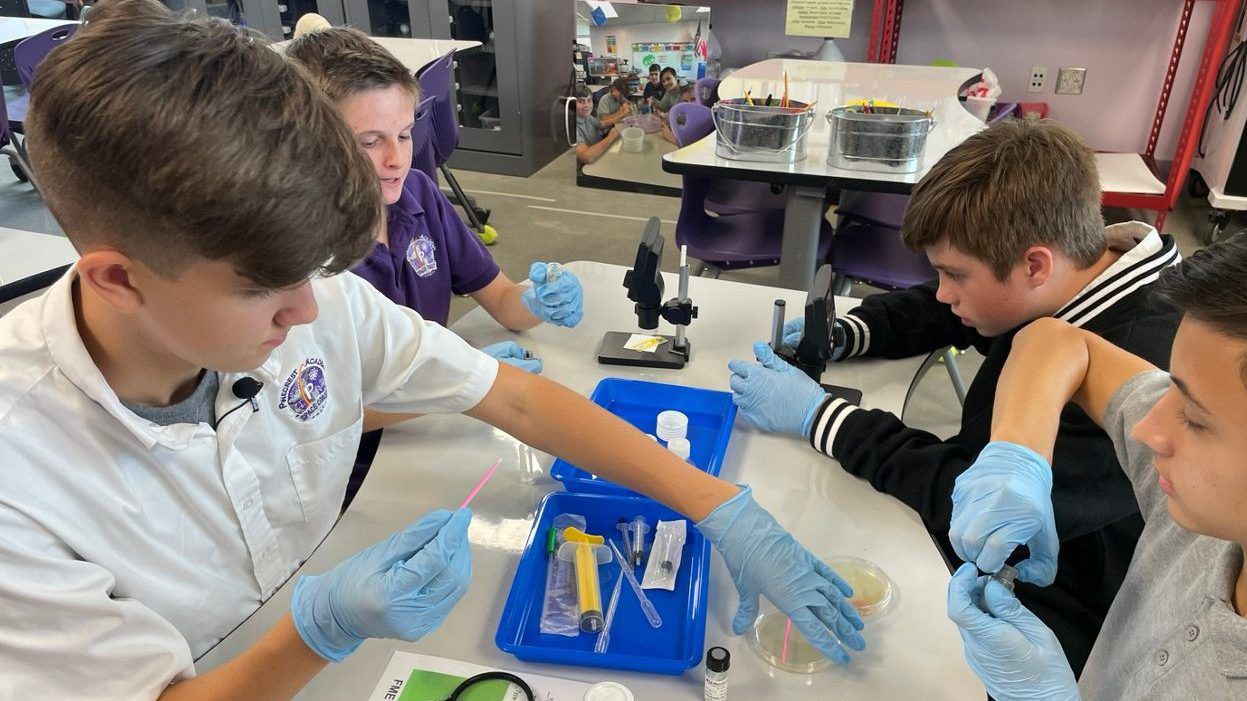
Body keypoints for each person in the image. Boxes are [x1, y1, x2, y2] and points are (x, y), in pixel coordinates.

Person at [0, 2, 866, 697]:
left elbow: (519, 398)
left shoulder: (322, 299)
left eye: (317, 270)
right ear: (118, 278)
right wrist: (318, 630)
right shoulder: (21, 473)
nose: (309, 310)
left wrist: (721, 509)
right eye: (264, 286)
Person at [727, 119, 1183, 675]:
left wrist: (822, 416)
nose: (943, 291)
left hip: (1056, 614)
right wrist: (852, 331)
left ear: (1035, 265)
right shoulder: (1076, 272)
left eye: (953, 274)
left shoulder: (1146, 375)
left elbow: (966, 501)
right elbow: (951, 306)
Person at [286, 27, 584, 507]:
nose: (395, 159)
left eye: (404, 134)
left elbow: (505, 303)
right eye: (369, 142)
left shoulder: (419, 197)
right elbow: (322, 416)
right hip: (351, 477)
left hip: (440, 432)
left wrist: (536, 298)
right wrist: (452, 387)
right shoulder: (299, 257)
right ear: (310, 143)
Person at [946, 234, 1247, 699]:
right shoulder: (1209, 511)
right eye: (1172, 388)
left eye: (1194, 417)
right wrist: (1018, 453)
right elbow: (1059, 341)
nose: (1146, 429)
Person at [573, 84, 620, 165]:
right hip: (586, 168)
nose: (587, 105)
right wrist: (611, 137)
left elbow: (602, 124)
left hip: (599, 155)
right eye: (581, 101)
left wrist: (623, 114)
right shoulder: (571, 127)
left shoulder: (587, 117)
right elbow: (587, 157)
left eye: (589, 100)